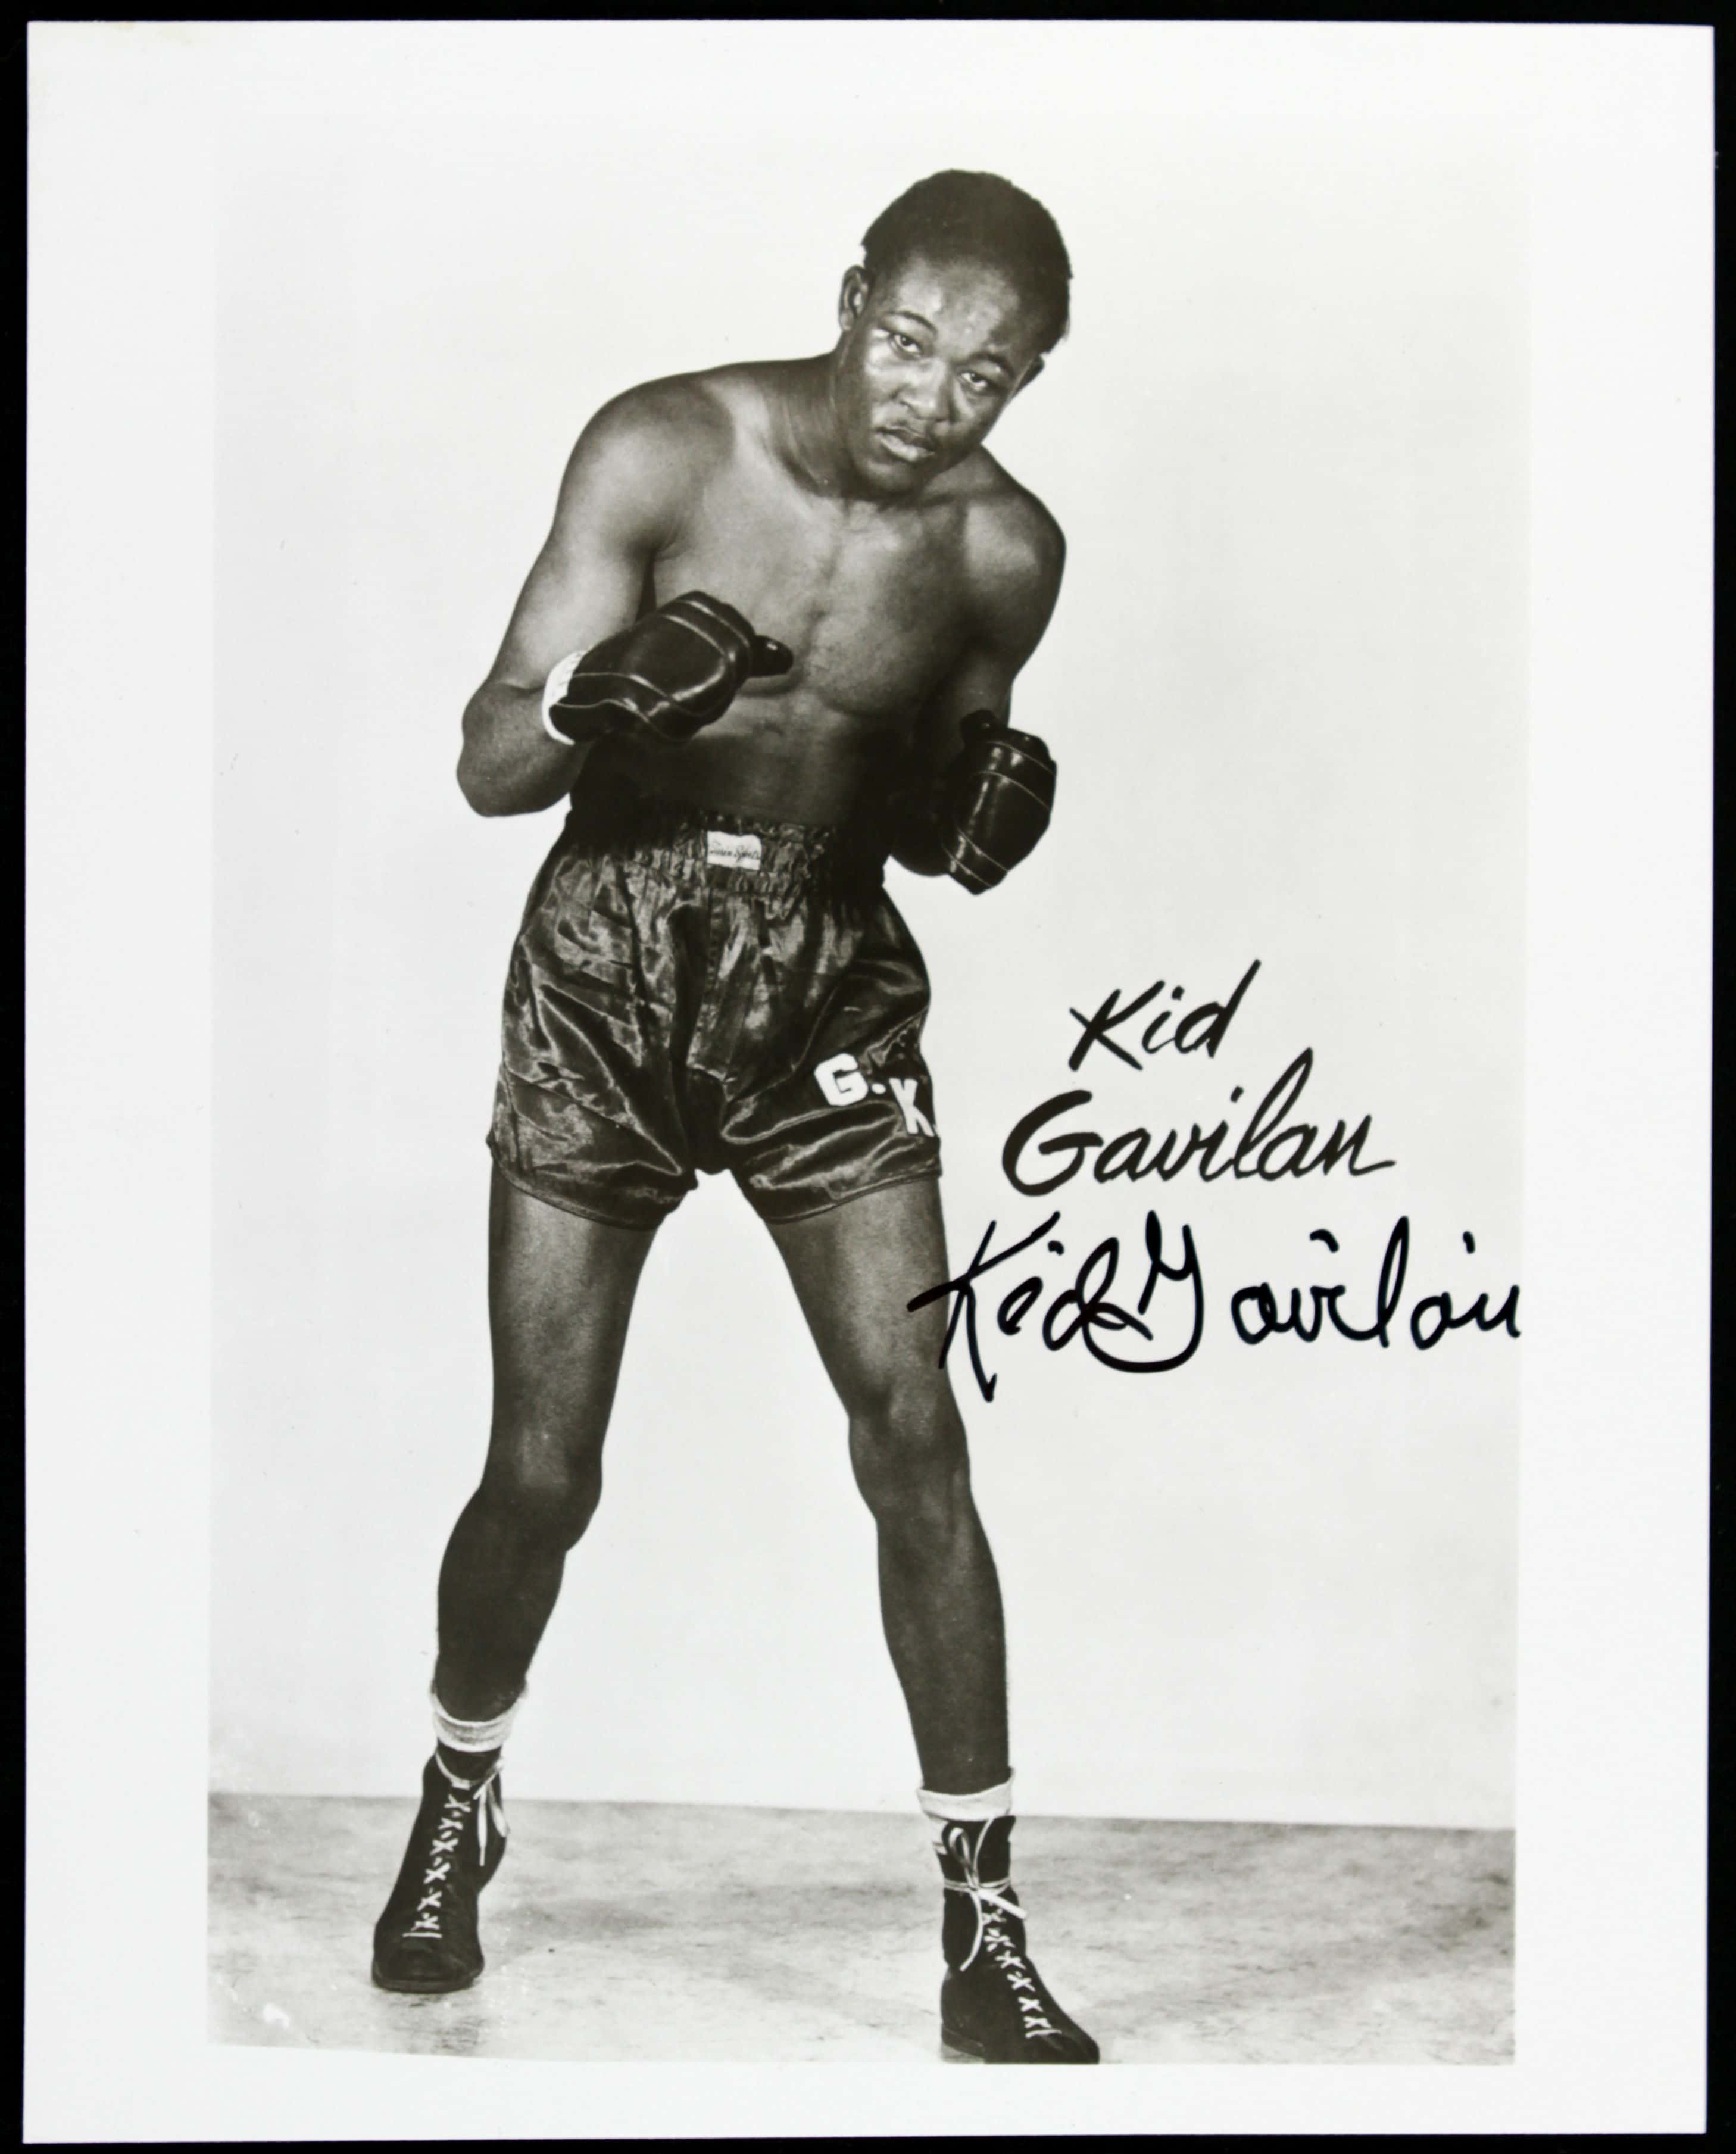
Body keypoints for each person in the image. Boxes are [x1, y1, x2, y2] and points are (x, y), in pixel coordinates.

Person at [371, 170, 1098, 2065]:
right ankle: (456, 1796)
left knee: (915, 1433)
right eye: (908, 341)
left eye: (984, 374)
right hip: (606, 965)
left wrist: (973, 826)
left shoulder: (1005, 554)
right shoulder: (665, 445)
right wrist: (599, 698)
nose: (931, 396)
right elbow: (486, 761)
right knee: (544, 1469)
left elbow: (920, 817)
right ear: (852, 297)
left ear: (1028, 382)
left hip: (825, 980)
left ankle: (984, 1929)